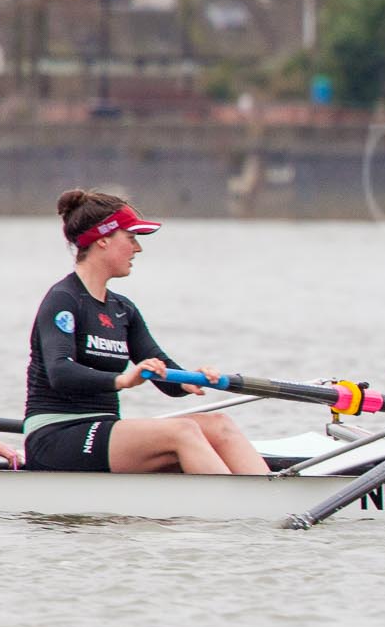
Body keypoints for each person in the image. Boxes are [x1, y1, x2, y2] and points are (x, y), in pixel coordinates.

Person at [22, 189, 268, 474]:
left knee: (219, 424)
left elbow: (163, 373)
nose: (137, 249)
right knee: (183, 432)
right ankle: (236, 509)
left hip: (102, 429)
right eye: (131, 238)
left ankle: (269, 504)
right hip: (56, 435)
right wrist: (124, 379)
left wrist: (192, 379)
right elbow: (60, 372)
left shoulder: (122, 309)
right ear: (103, 240)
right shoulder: (63, 299)